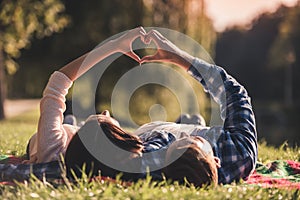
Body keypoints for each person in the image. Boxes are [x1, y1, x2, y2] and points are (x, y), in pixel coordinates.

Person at [24, 27, 257, 187]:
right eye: (109, 121)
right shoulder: (237, 154)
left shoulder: (124, 158)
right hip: (172, 134)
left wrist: (114, 45)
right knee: (191, 120)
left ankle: (191, 122)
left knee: (187, 121)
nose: (106, 112)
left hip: (160, 134)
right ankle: (191, 122)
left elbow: (57, 84)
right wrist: (179, 56)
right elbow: (235, 93)